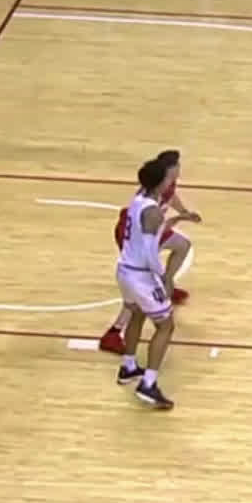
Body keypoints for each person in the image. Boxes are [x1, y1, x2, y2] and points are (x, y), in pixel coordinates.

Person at [97, 149, 199, 354]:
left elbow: (171, 199)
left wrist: (183, 213)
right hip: (136, 234)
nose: (180, 168)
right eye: (177, 165)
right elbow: (151, 223)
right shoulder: (151, 196)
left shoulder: (166, 186)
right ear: (168, 171)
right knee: (138, 289)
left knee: (182, 245)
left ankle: (167, 283)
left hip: (148, 230)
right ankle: (114, 332)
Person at [113, 157, 179, 410]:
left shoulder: (138, 199)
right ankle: (148, 384)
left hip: (124, 269)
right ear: (160, 182)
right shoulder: (152, 211)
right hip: (141, 275)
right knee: (166, 326)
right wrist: (163, 277)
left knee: (137, 313)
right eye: (168, 178)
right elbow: (151, 252)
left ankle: (128, 366)